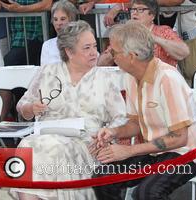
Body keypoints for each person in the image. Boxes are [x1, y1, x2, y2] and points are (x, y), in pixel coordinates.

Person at [9, 20, 126, 200]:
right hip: (45, 136)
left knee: (48, 148)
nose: (94, 52)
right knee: (28, 144)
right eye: (86, 48)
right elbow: (22, 108)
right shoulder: (48, 71)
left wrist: (107, 135)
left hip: (87, 143)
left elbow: (120, 118)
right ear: (69, 52)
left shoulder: (104, 77)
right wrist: (31, 108)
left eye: (94, 46)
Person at [92, 21, 196, 200]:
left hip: (185, 154)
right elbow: (136, 123)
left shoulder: (168, 78)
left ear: (132, 56)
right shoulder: (131, 76)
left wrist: (129, 150)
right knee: (103, 178)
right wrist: (113, 132)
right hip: (153, 152)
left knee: (147, 193)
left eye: (113, 51)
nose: (110, 55)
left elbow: (180, 138)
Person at [98, 0, 189, 67]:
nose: (134, 13)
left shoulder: (163, 31)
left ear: (152, 15)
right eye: (133, 9)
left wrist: (154, 38)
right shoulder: (124, 34)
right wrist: (117, 45)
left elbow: (184, 52)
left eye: (140, 9)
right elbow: (101, 64)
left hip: (160, 83)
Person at [40, 0, 78, 66]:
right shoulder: (47, 45)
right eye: (55, 19)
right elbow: (44, 72)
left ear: (72, 20)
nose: (58, 23)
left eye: (63, 19)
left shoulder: (82, 42)